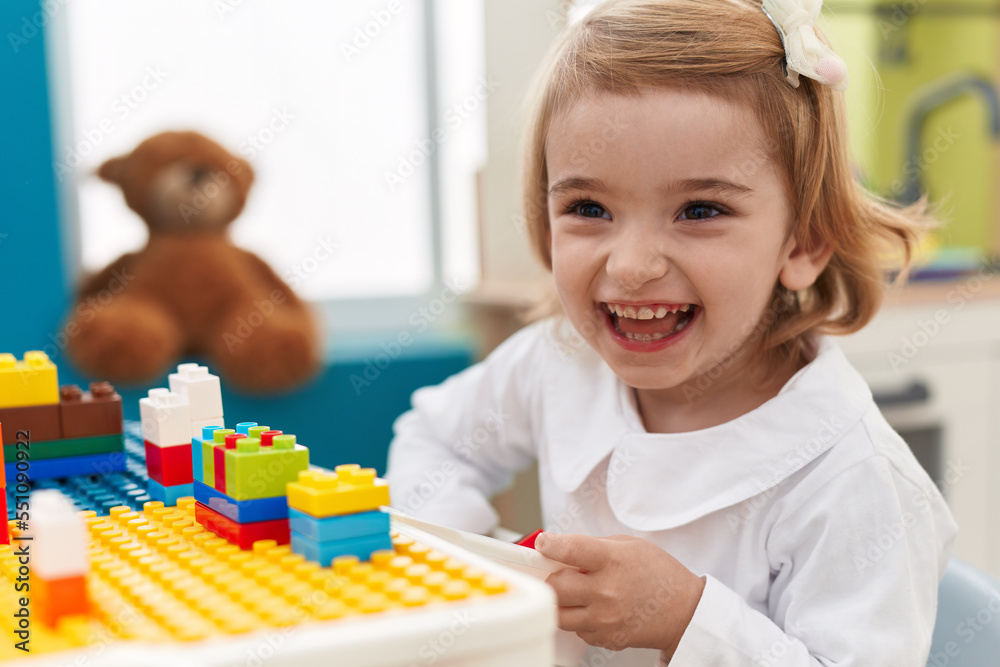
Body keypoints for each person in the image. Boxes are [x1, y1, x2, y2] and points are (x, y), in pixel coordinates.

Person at [386, 0, 958, 664]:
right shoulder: (561, 360)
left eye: (699, 210)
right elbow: (436, 440)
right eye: (588, 207)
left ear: (804, 240)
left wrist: (687, 616)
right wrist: (483, 579)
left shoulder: (857, 479)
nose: (631, 267)